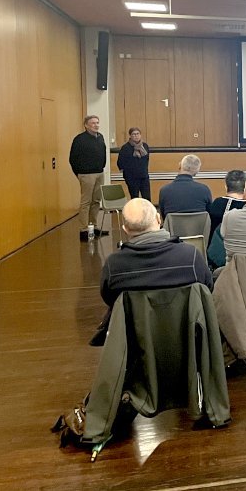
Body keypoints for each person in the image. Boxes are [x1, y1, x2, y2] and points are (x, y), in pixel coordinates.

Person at [93, 198, 213, 346]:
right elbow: (207, 289)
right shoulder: (191, 257)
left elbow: (110, 299)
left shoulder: (114, 265)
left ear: (125, 229)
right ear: (158, 219)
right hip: (187, 342)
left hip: (134, 344)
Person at [69, 114, 108, 240]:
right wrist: (79, 174)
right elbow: (73, 159)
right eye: (93, 123)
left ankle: (94, 225)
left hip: (99, 172)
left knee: (96, 201)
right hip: (86, 174)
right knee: (86, 202)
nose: (96, 125)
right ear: (86, 125)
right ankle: (84, 229)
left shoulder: (100, 137)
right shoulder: (79, 140)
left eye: (97, 122)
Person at [116, 127, 150, 201]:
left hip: (144, 176)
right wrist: (126, 174)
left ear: (140, 135)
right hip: (131, 178)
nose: (136, 136)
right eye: (133, 134)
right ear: (130, 136)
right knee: (134, 198)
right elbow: (120, 162)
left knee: (147, 197)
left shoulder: (145, 146)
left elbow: (147, 159)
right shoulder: (125, 148)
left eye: (137, 134)